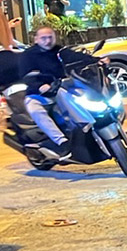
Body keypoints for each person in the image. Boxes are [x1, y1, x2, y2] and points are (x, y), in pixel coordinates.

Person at [19, 26, 106, 159]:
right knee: (35, 109)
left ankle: (91, 126)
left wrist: (97, 61)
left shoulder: (59, 51)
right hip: (39, 94)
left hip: (61, 87)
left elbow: (76, 57)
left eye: (50, 37)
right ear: (36, 39)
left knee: (85, 97)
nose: (47, 41)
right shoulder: (28, 55)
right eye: (43, 38)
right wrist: (40, 86)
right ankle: (61, 142)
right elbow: (25, 75)